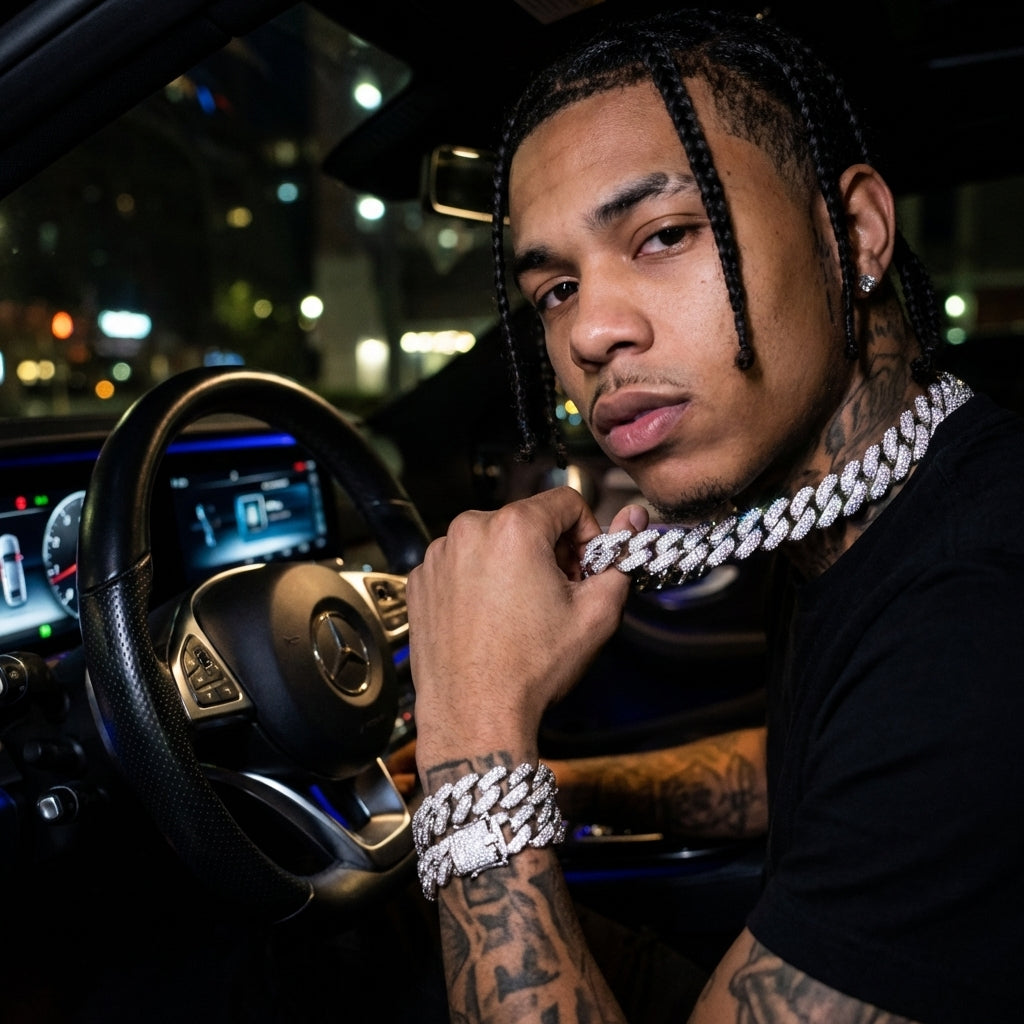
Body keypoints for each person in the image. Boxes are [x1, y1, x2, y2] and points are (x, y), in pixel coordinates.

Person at [403, 6, 1024, 1022]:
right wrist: (565, 783)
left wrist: (471, 740)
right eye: (555, 288)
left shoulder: (978, 623)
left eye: (663, 236)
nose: (593, 331)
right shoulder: (875, 508)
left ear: (851, 235)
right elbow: (812, 772)